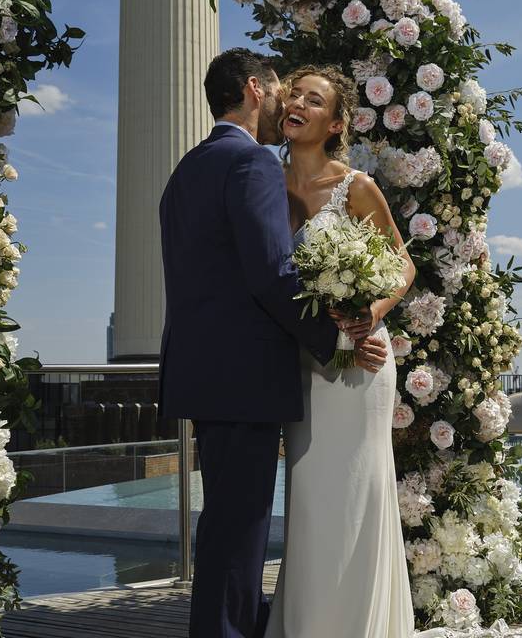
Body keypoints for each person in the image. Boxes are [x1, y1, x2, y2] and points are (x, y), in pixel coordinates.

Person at [157, 49, 389, 638]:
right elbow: (268, 272)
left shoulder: (186, 170)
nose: (290, 100)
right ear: (257, 90)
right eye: (285, 88)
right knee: (239, 531)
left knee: (226, 526)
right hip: (247, 376)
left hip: (203, 374)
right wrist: (335, 341)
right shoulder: (253, 164)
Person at [263, 65, 418, 638]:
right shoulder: (264, 181)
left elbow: (402, 264)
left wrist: (369, 317)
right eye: (293, 96)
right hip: (300, 367)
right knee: (310, 498)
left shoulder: (355, 186)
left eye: (314, 99)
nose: (298, 104)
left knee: (357, 493)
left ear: (336, 122)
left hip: (359, 365)